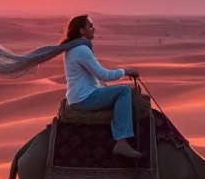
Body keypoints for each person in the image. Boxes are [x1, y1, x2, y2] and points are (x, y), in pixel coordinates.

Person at [61, 15, 144, 159]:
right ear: (82, 30)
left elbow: (94, 77)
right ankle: (122, 141)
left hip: (80, 96)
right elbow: (102, 75)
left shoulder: (74, 48)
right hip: (85, 98)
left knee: (117, 91)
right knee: (124, 91)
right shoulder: (81, 49)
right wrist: (126, 71)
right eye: (90, 26)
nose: (93, 28)